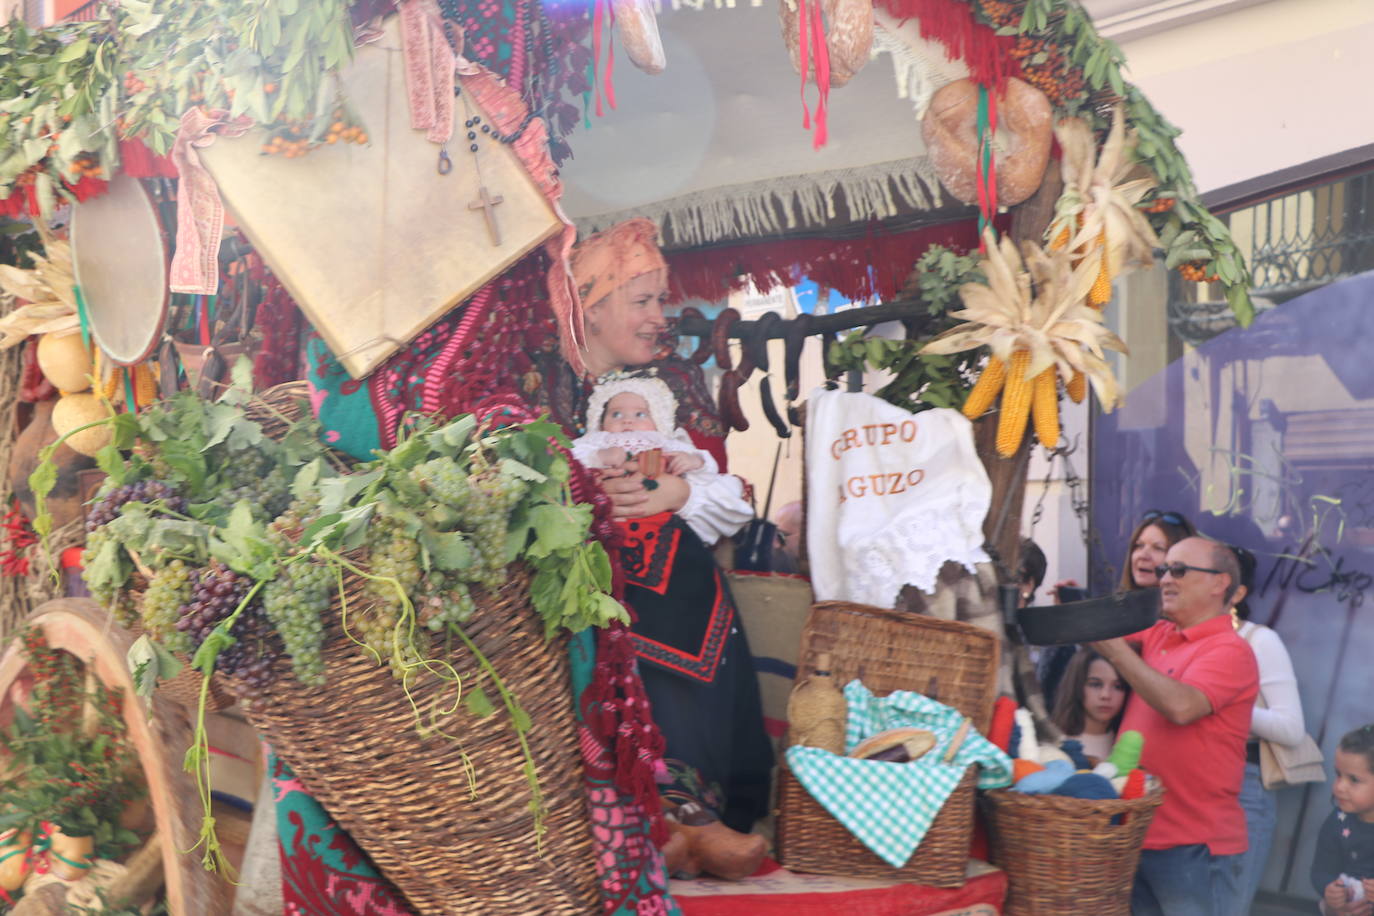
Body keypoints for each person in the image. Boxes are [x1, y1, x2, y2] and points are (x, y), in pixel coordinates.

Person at [563, 218, 773, 881]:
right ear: (591, 310)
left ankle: (697, 818)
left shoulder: (673, 389)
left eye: (661, 301)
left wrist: (675, 493)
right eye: (643, 301)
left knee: (691, 646)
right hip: (582, 587)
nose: (662, 317)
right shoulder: (540, 389)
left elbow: (725, 492)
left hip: (680, 582)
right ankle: (640, 823)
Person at [1090, 536, 1259, 916]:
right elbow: (1098, 623)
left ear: (1219, 584)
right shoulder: (1160, 631)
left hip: (1196, 847)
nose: (1165, 578)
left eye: (1179, 570)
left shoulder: (1231, 650)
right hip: (1141, 835)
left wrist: (1117, 653)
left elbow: (1181, 707)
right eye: (1165, 569)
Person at [570, 373, 751, 548]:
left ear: (657, 420)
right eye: (616, 415)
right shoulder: (599, 440)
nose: (627, 421)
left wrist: (693, 461)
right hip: (609, 511)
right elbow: (571, 456)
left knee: (719, 486)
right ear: (601, 422)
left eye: (640, 415)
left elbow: (706, 466)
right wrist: (599, 456)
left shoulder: (664, 441)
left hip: (660, 508)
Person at [1039, 509, 1196, 709]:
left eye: (1158, 548)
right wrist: (1067, 622)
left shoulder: (1185, 626)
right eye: (1138, 546)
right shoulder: (1114, 613)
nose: (1143, 555)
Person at [1226, 542, 1308, 915]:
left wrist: (1224, 707)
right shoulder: (1172, 638)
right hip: (1181, 786)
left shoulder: (1259, 640)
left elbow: (1291, 728)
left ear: (1233, 590)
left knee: (1226, 904)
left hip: (1244, 785)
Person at [1312, 725, 1374, 916]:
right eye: (1338, 775)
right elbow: (1321, 869)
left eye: (1353, 780)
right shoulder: (1339, 821)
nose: (1339, 787)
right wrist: (1329, 891)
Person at [1049, 647, 1130, 764]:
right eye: (1095, 684)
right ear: (1076, 685)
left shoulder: (1127, 744)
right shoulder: (1052, 739)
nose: (1105, 695)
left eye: (1118, 686)